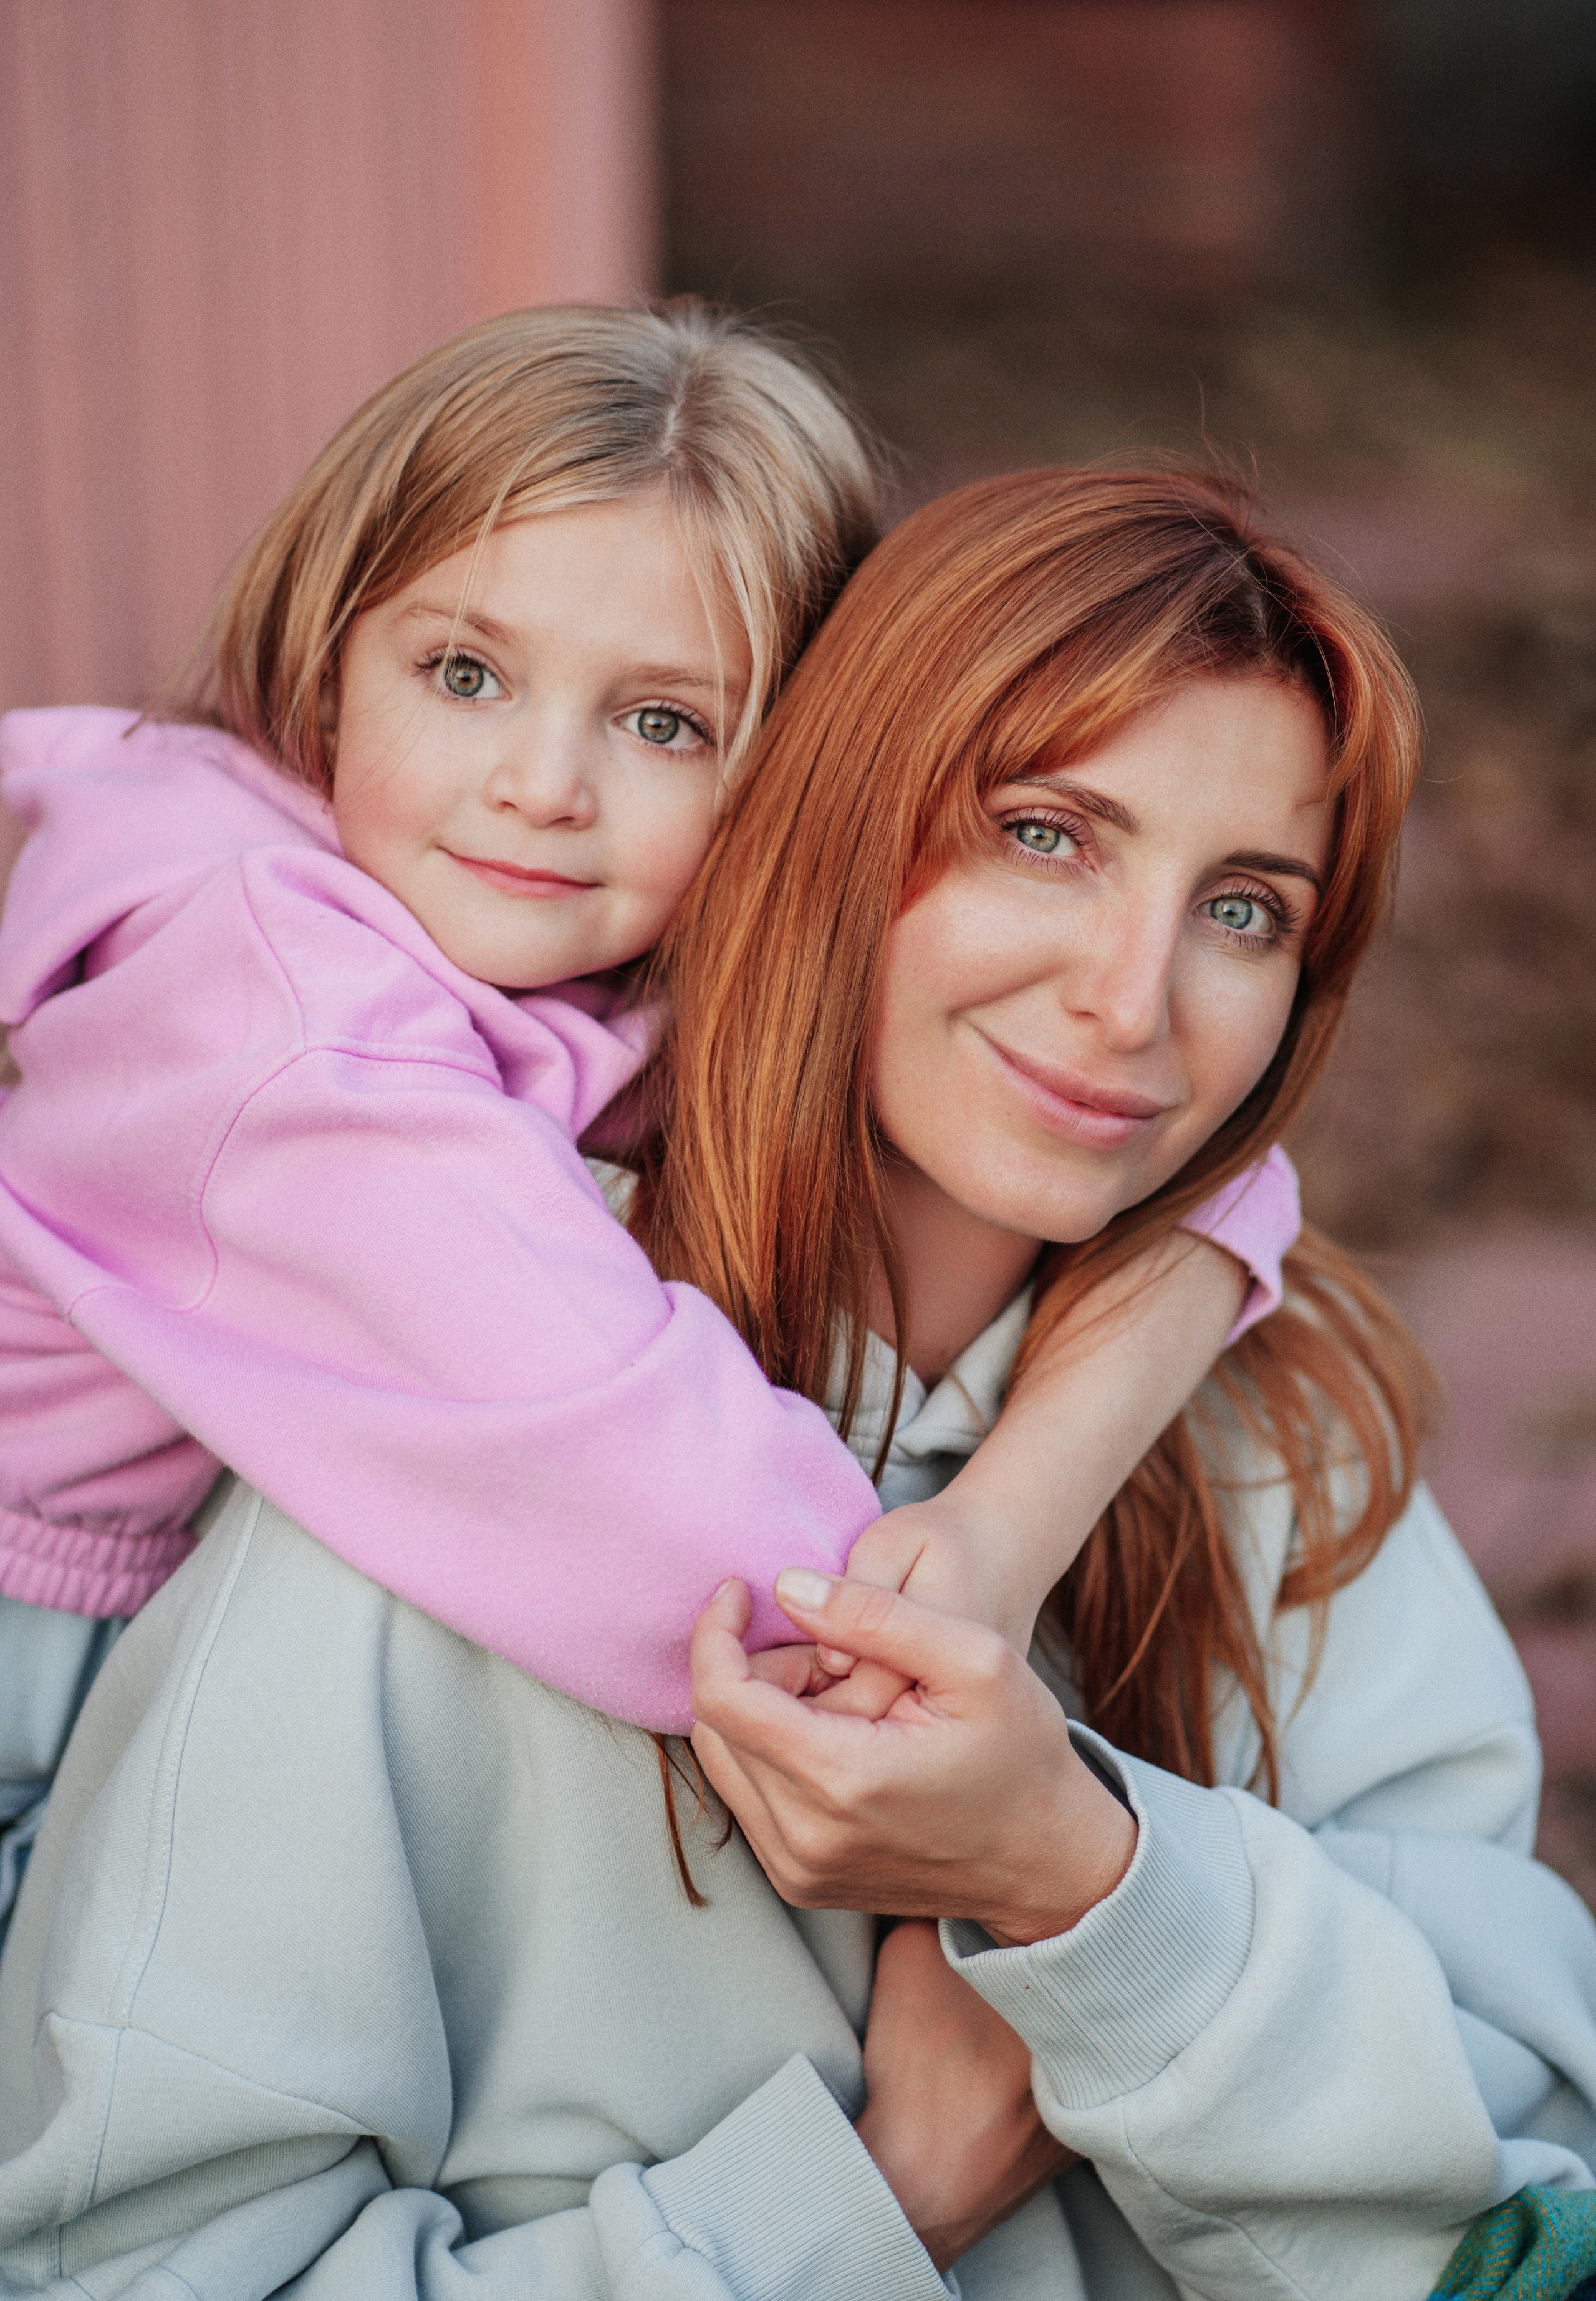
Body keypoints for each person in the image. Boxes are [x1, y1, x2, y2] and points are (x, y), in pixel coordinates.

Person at [4, 466, 1557, 2301]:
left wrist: (1087, 1880)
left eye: (1245, 911)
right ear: (822, 823)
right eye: (1046, 834)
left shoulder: (1274, 1459)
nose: (1132, 1002)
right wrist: (860, 2214)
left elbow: (1516, 2219)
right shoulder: (456, 1418)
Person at [0, 306, 1291, 1941]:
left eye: (664, 722)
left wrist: (1005, 1512)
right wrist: (1031, 1775)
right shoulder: (279, 1033)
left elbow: (1215, 1177)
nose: (544, 782)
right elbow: (692, 1536)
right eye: (465, 673)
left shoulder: (520, 948)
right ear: (329, 656)